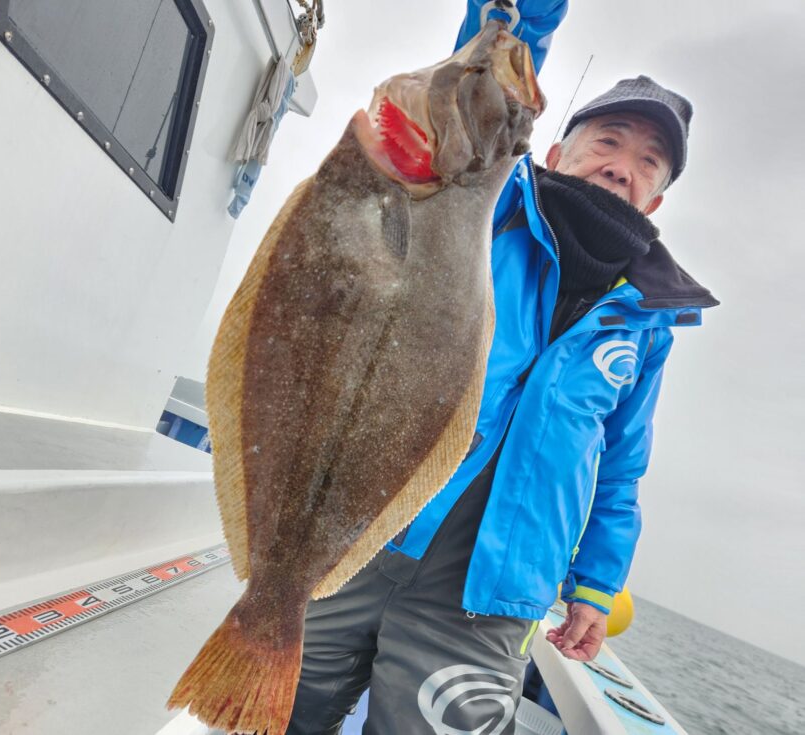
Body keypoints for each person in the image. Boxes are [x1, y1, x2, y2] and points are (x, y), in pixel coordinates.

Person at [286, 2, 719, 733]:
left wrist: (596, 584)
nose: (623, 166)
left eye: (649, 162)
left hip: (491, 598)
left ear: (658, 200)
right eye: (608, 140)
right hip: (364, 529)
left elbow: (620, 467)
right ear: (555, 154)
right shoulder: (483, 205)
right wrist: (526, 20)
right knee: (270, 712)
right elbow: (478, 89)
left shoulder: (648, 323)